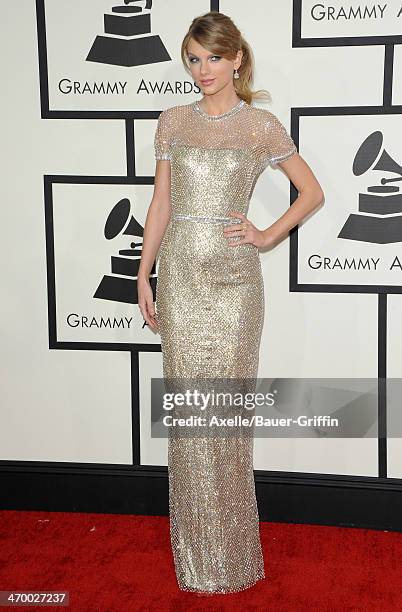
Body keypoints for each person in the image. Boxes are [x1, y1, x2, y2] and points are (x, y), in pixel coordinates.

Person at [138, 11, 324, 595]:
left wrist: (267, 235)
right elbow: (161, 205)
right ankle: (197, 560)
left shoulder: (261, 126)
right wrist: (144, 275)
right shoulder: (172, 121)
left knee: (226, 418)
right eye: (193, 59)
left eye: (213, 58)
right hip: (183, 281)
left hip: (236, 285)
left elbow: (312, 192)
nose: (202, 70)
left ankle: (235, 559)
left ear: (237, 59)